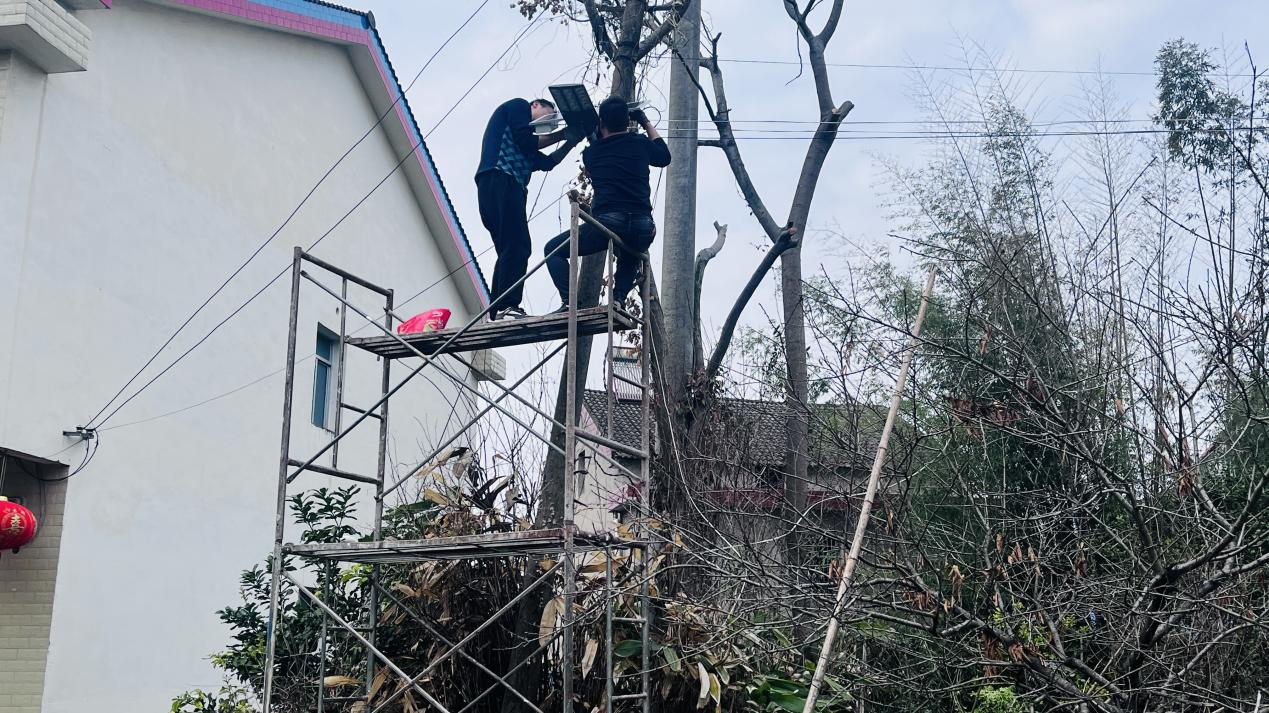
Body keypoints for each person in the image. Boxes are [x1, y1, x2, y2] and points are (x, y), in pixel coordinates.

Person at [543, 95, 671, 312]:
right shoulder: (640, 143)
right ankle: (618, 299)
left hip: (610, 220)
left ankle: (569, 302)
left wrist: (592, 130)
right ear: (629, 122)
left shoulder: (591, 154)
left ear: (602, 124)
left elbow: (603, 150)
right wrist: (645, 121)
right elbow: (664, 157)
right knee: (631, 251)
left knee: (553, 250)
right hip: (644, 225)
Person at [476, 97, 582, 320]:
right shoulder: (518, 106)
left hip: (496, 187)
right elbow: (526, 140)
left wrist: (570, 142)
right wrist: (562, 134)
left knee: (509, 248)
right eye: (550, 116)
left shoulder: (524, 143)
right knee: (519, 246)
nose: (551, 123)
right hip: (501, 179)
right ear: (535, 105)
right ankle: (507, 305)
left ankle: (497, 310)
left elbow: (547, 163)